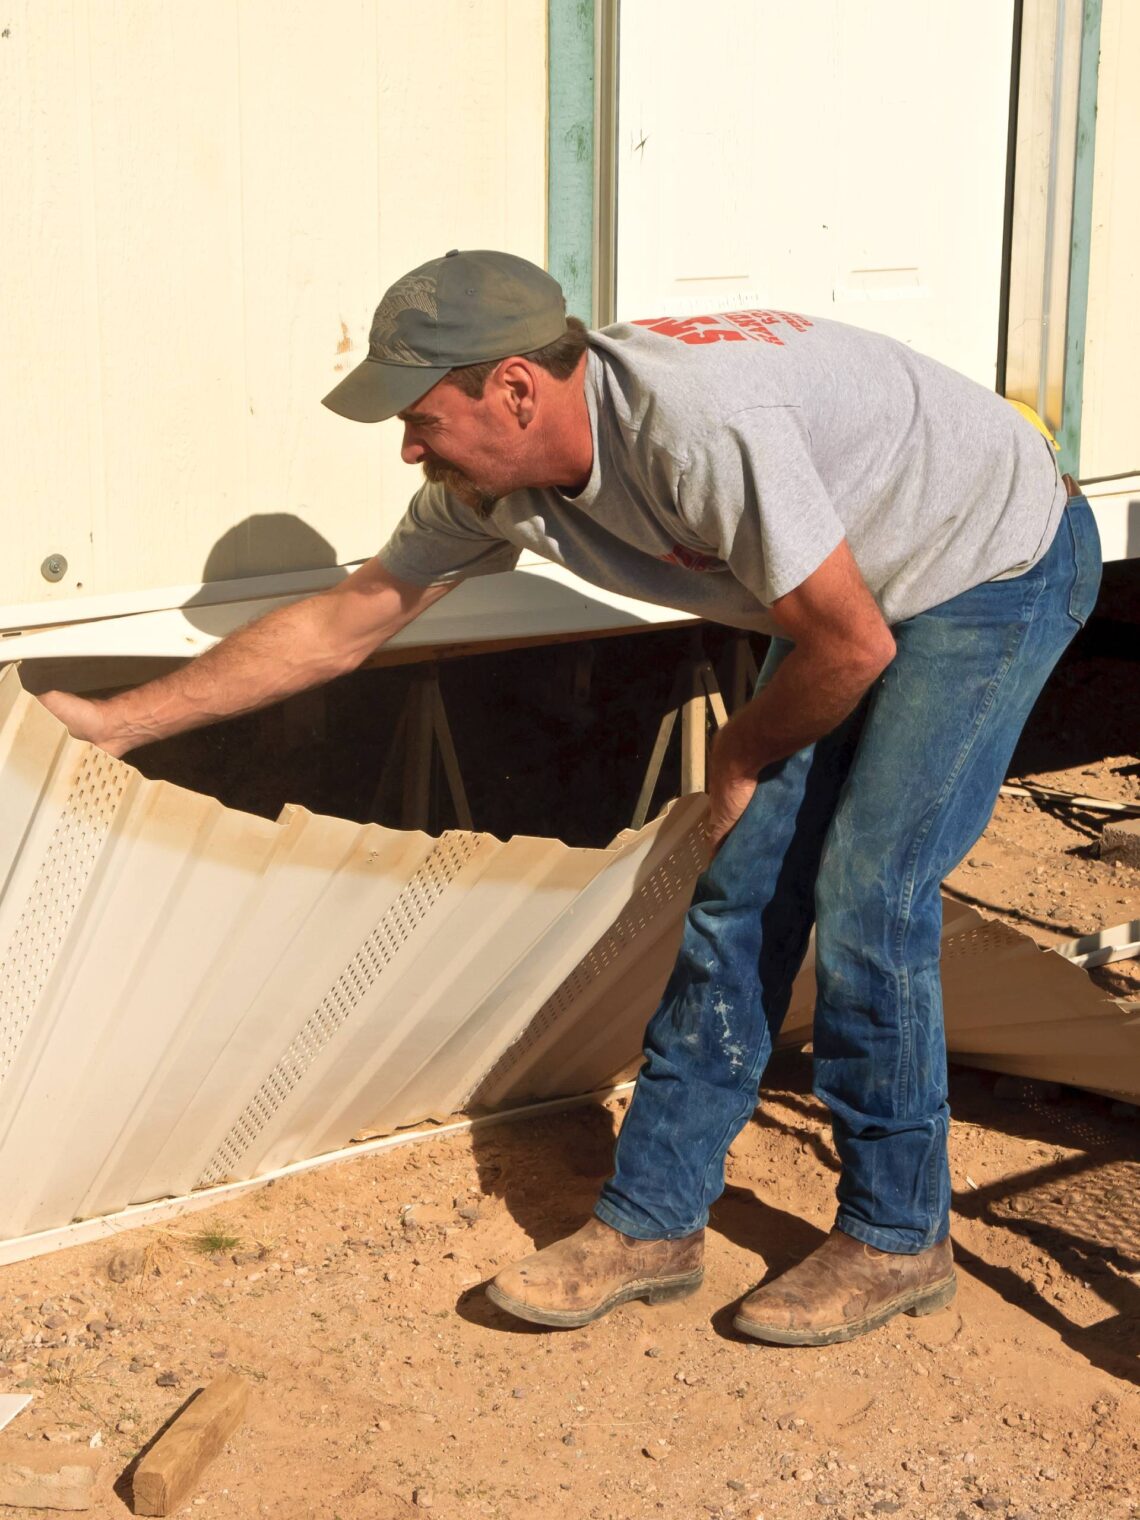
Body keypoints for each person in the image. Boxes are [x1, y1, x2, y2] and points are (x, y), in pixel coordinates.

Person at [40, 249, 1101, 1346]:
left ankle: (897, 1232)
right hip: (859, 582)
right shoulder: (486, 489)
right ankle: (652, 1220)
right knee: (742, 889)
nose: (408, 446)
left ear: (512, 387)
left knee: (870, 888)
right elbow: (344, 624)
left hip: (990, 562)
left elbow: (848, 641)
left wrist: (736, 755)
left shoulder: (693, 430)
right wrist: (118, 721)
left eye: (420, 415)